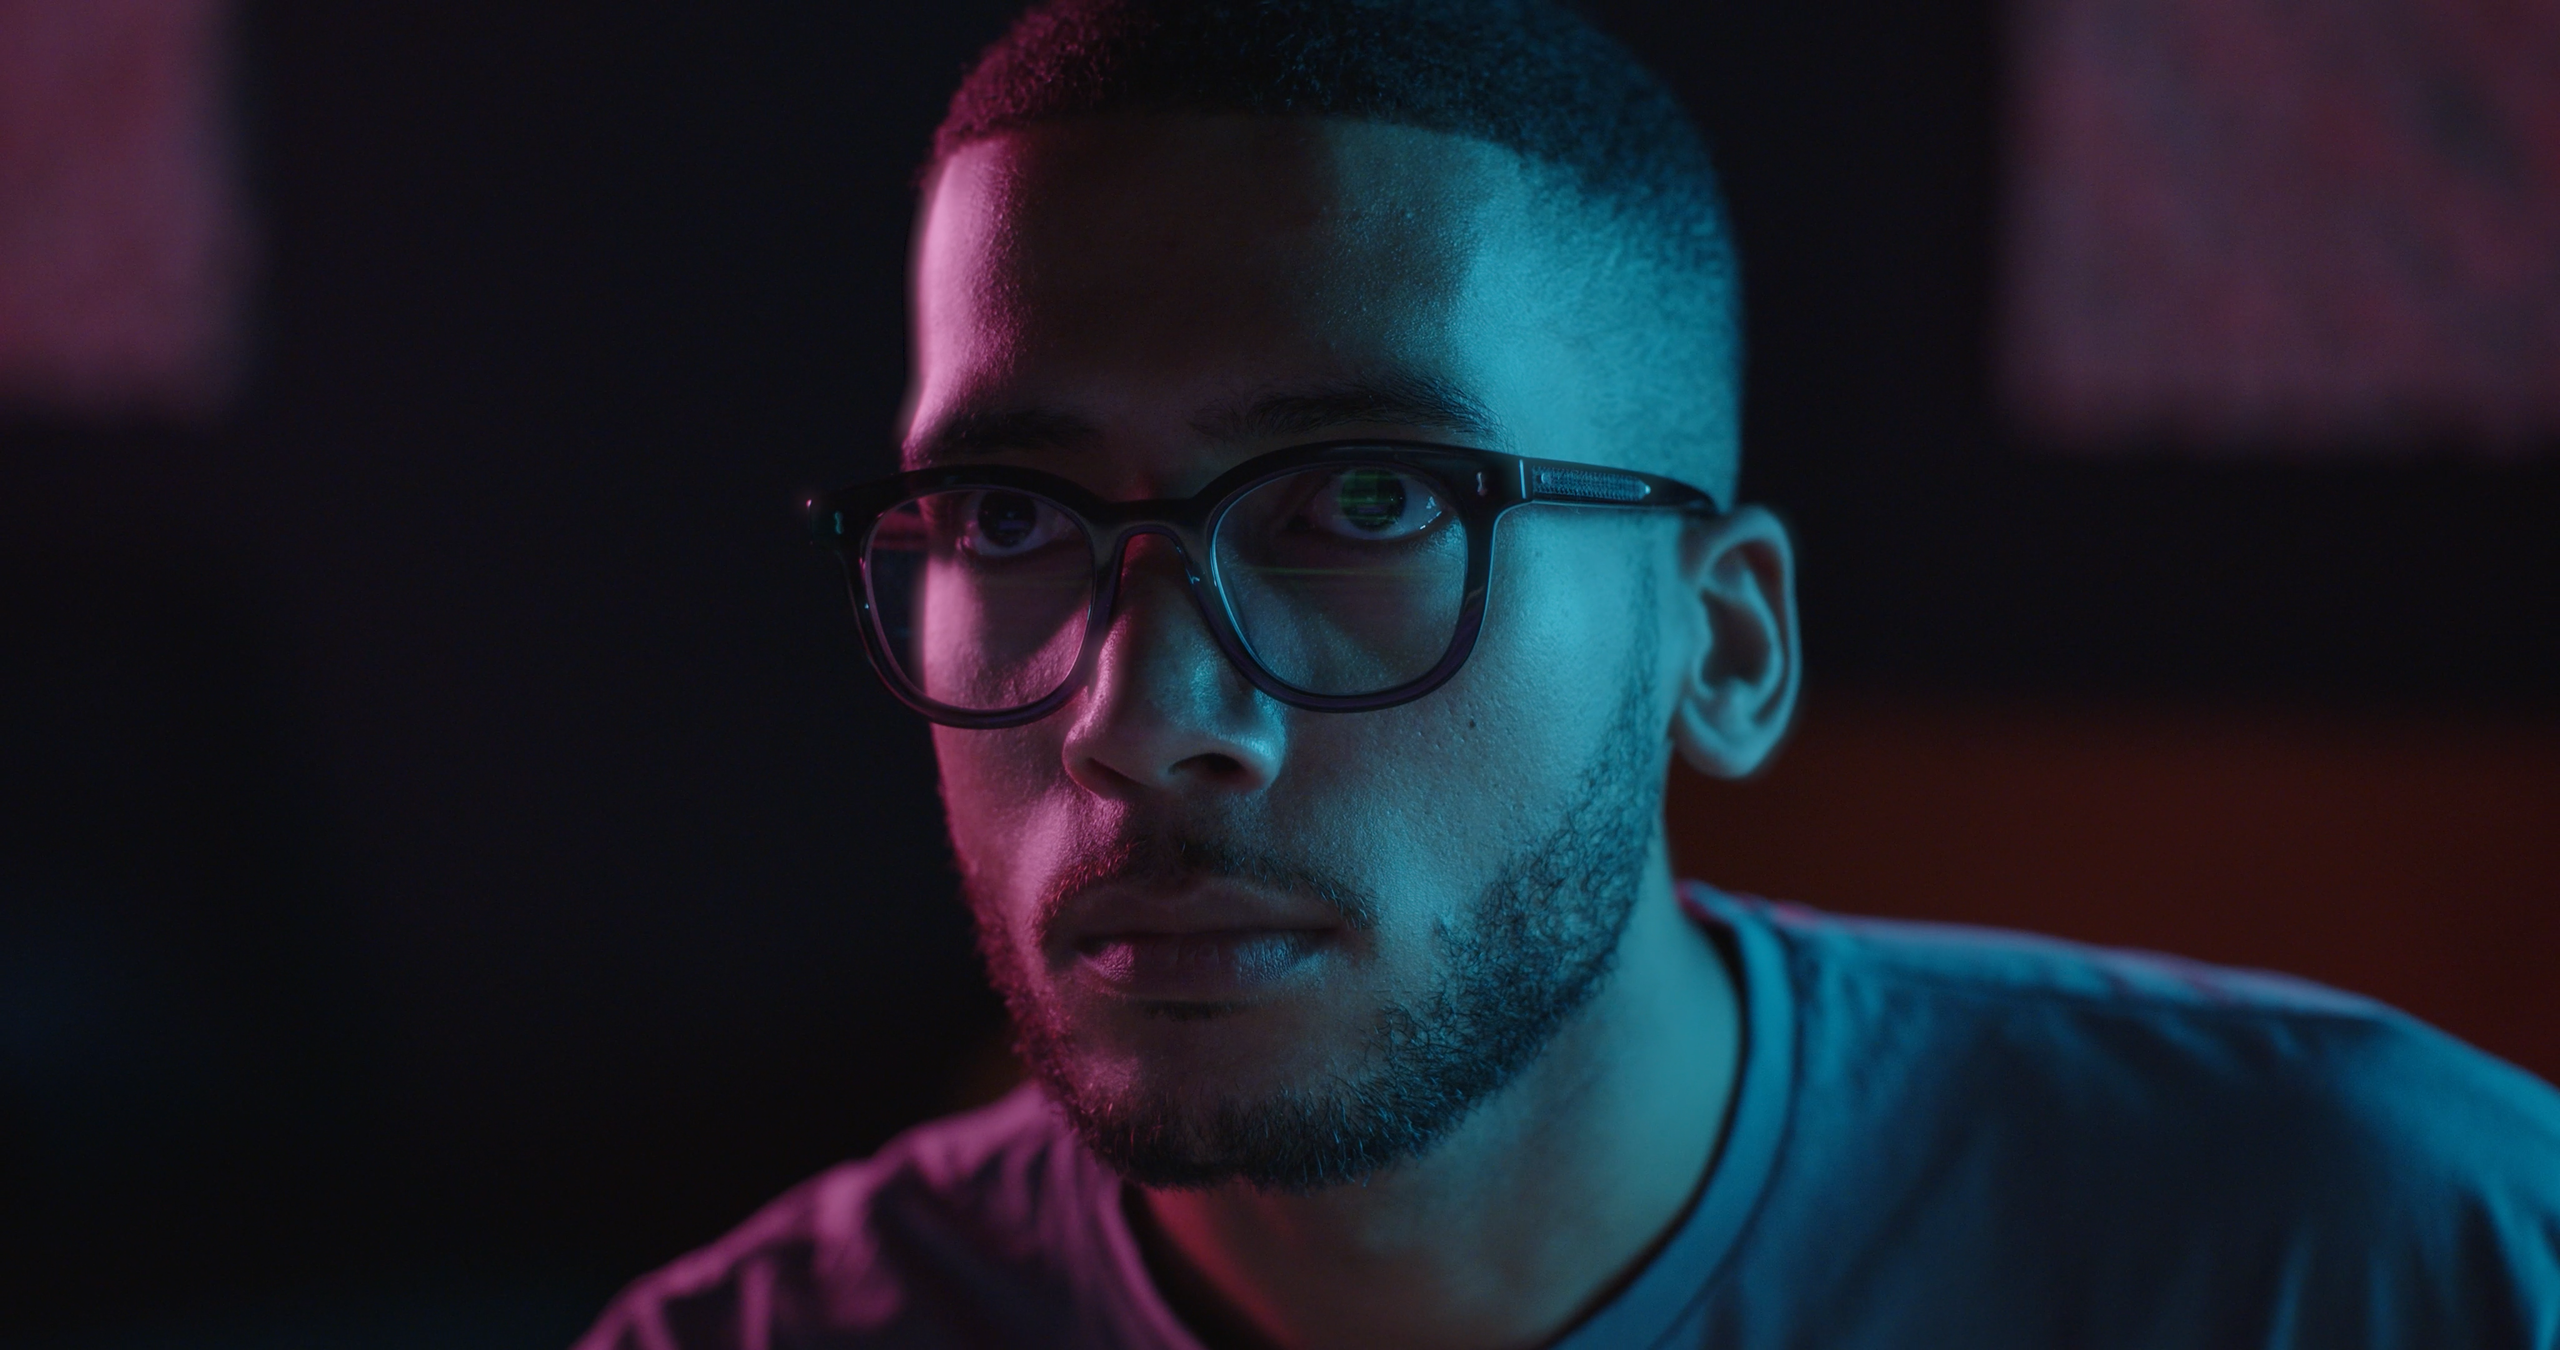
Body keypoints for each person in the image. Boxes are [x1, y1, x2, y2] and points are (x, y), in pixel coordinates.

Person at [577, 2, 2560, 1345]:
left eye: (1359, 497)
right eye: (1008, 520)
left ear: (1720, 644)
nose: (1138, 713)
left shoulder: (2371, 1253)